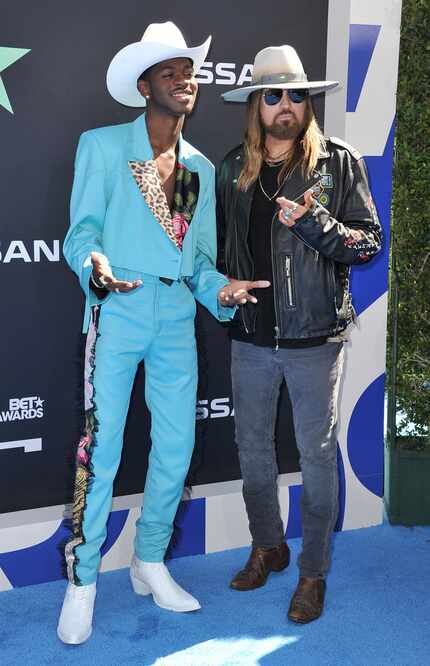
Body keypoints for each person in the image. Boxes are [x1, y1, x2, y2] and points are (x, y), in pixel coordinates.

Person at [58, 21, 266, 645]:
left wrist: (221, 289)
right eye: (170, 70)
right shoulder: (100, 146)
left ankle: (149, 561)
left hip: (175, 317)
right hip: (117, 311)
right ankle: (85, 579)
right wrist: (93, 264)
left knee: (175, 450)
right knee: (105, 449)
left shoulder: (200, 168)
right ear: (144, 83)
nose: (185, 79)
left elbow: (198, 262)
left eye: (190, 70)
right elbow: (81, 232)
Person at [217, 44, 382, 623]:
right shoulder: (232, 168)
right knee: (253, 454)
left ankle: (312, 572)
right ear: (255, 106)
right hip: (251, 337)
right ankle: (269, 545)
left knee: (315, 457)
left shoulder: (339, 163)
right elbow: (214, 252)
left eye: (295, 94)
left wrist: (312, 221)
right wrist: (222, 285)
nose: (285, 104)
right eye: (272, 95)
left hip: (316, 339)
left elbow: (367, 245)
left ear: (308, 101)